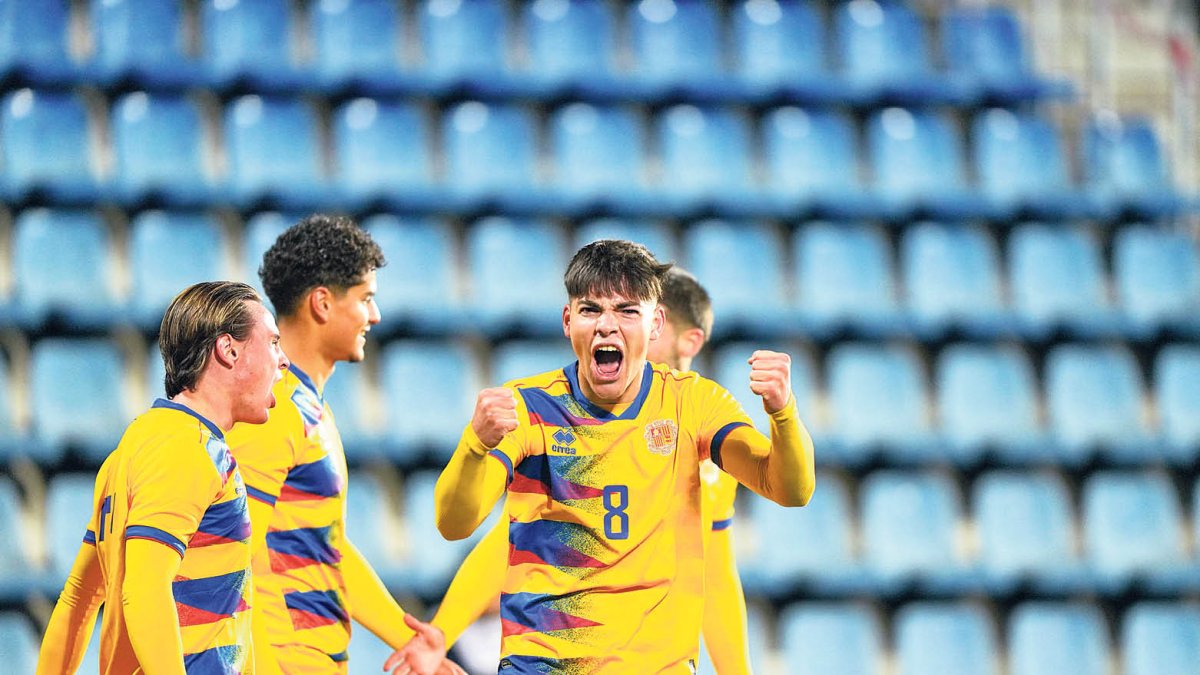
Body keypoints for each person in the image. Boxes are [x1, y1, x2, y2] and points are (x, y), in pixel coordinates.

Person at [431, 240, 815, 672]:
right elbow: (456, 525)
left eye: (628, 311)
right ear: (568, 320)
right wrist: (474, 444)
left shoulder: (697, 406)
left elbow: (788, 493)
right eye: (591, 309)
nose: (607, 326)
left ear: (656, 323)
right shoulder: (529, 408)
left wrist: (783, 413)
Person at [224, 215, 461, 675]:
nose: (375, 315)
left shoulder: (307, 407)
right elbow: (232, 547)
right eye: (366, 299)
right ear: (323, 304)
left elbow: (325, 544)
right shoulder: (274, 410)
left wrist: (413, 641)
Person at [37, 281, 290, 674]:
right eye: (273, 342)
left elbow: (79, 598)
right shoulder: (185, 447)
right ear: (229, 349)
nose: (284, 360)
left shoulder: (138, 444)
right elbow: (145, 589)